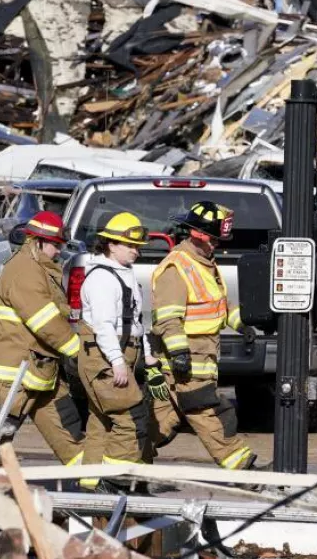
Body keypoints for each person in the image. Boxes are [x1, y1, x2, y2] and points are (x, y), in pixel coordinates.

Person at [149, 200, 263, 471]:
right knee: (207, 412)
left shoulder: (205, 263)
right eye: (214, 239)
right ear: (197, 234)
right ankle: (243, 467)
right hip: (187, 361)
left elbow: (218, 306)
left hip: (203, 358)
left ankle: (123, 461)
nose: (218, 244)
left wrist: (241, 325)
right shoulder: (176, 268)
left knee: (161, 420)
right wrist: (178, 353)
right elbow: (168, 319)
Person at [0, 211, 85, 467]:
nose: (59, 252)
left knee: (69, 433)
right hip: (15, 378)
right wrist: (78, 352)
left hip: (41, 372)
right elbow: (46, 322)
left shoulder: (38, 267)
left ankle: (94, 488)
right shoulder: (24, 271)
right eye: (55, 246)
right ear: (37, 241)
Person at [75, 212, 156, 491]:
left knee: (101, 422)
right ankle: (113, 483)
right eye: (129, 245)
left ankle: (90, 486)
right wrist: (118, 362)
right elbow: (104, 326)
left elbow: (135, 321)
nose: (136, 251)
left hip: (120, 354)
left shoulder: (126, 275)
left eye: (137, 247)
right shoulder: (102, 279)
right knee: (130, 419)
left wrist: (146, 354)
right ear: (110, 244)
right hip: (106, 358)